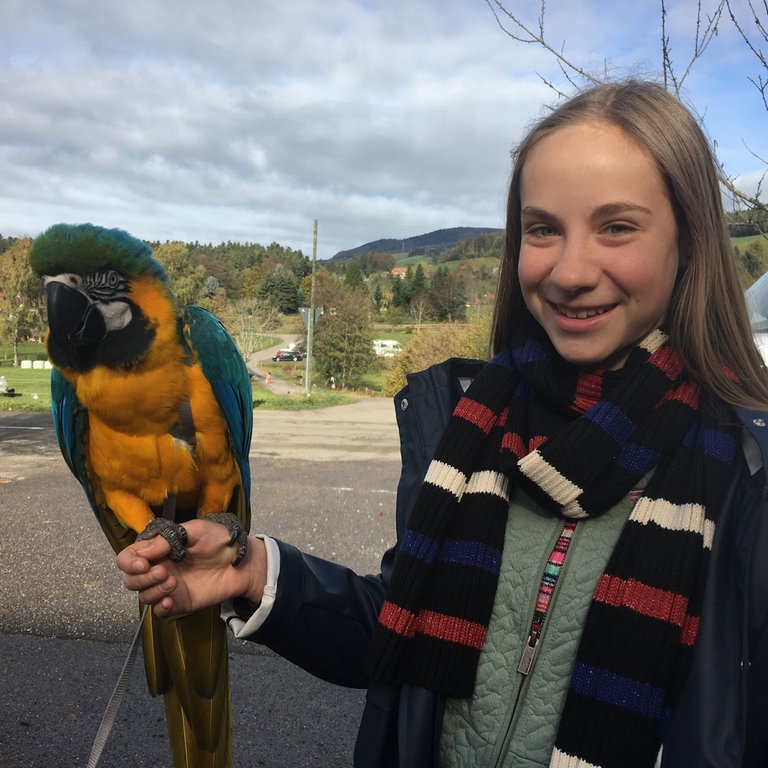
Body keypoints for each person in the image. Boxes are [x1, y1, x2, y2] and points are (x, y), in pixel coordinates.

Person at [118, 80, 768, 767]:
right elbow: (401, 630)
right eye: (544, 228)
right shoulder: (473, 426)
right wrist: (253, 571)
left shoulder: (746, 479)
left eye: (616, 226)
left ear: (690, 242)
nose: (571, 270)